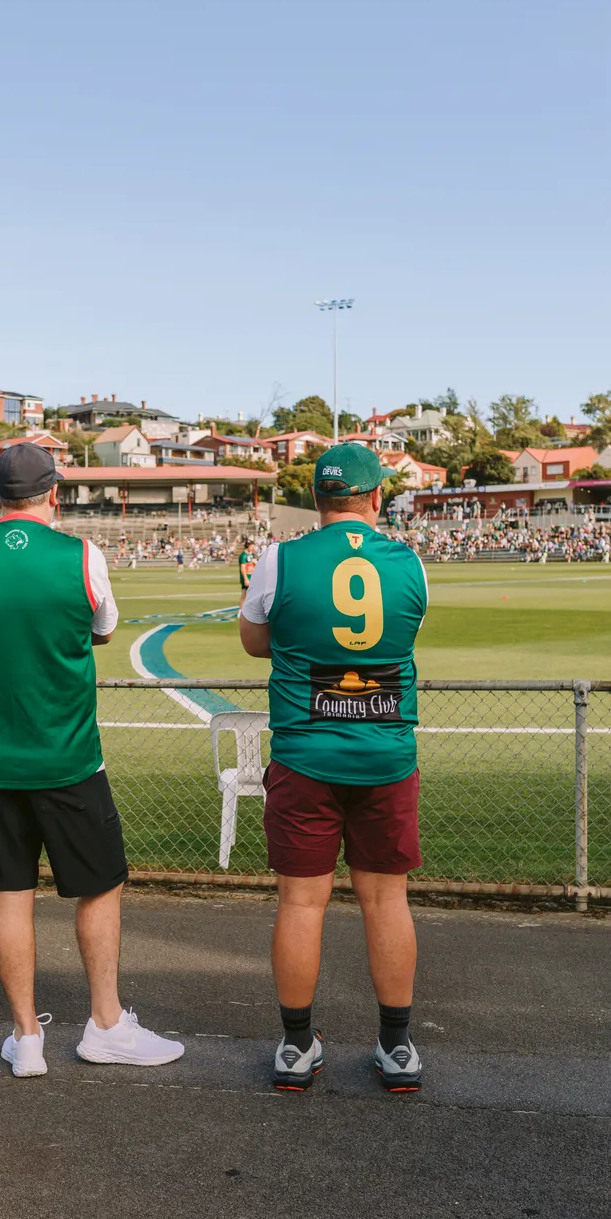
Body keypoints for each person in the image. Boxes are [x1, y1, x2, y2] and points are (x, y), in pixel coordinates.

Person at [0, 444, 184, 1078]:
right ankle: (104, 1024)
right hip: (70, 758)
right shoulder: (81, 555)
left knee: (9, 893)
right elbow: (101, 628)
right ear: (54, 494)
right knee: (99, 887)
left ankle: (26, 1039)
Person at [239, 444, 428, 1094]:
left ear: (317, 500)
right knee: (386, 899)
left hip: (303, 755)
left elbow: (254, 639)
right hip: (384, 755)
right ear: (376, 499)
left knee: (300, 901)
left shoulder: (278, 558)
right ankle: (397, 1046)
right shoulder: (409, 562)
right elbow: (402, 634)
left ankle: (296, 1047)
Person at [238, 539, 255, 607]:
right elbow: (242, 568)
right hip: (247, 578)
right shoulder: (243, 556)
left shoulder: (250, 555)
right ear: (248, 546)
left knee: (251, 595)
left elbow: (251, 564)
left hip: (251, 578)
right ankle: (241, 610)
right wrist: (245, 579)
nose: (253, 548)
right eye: (252, 546)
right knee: (244, 595)